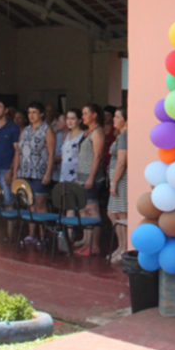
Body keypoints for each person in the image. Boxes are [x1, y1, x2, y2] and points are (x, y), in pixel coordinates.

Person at [13, 101, 56, 245]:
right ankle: (32, 235)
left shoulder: (47, 130)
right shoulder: (24, 130)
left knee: (40, 203)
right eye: (29, 112)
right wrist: (15, 173)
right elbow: (18, 152)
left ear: (41, 114)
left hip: (40, 172)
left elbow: (51, 153)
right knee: (29, 203)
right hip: (25, 172)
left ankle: (43, 235)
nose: (31, 115)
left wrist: (48, 173)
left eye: (34, 112)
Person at [74, 103, 105, 256]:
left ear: (94, 115)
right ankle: (86, 241)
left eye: (86, 114)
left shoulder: (97, 132)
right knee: (84, 210)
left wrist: (91, 177)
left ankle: (94, 244)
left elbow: (97, 156)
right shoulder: (87, 132)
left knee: (92, 210)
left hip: (92, 178)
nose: (83, 117)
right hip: (82, 177)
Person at [106, 107, 128, 263]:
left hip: (121, 180)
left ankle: (125, 248)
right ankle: (121, 247)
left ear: (125, 120)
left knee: (121, 214)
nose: (114, 119)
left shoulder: (124, 137)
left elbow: (121, 161)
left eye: (117, 116)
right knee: (113, 213)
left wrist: (114, 182)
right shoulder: (120, 136)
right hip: (117, 179)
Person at [57, 109, 84, 183]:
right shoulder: (68, 135)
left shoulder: (83, 136)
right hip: (64, 176)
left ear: (79, 120)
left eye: (72, 119)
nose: (69, 121)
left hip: (75, 177)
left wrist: (79, 177)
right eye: (68, 118)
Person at [51, 113, 68, 181]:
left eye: (60, 121)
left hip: (67, 174)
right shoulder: (56, 136)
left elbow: (66, 156)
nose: (57, 123)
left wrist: (51, 160)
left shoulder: (72, 137)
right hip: (56, 174)